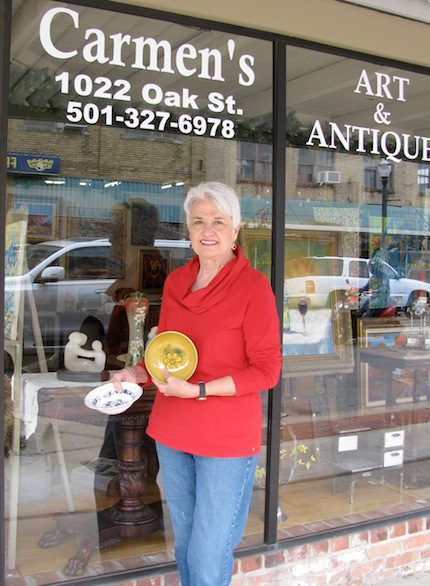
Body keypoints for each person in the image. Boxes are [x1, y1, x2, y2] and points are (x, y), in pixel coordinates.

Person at [111, 181, 282, 586]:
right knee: (186, 545)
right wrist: (133, 373)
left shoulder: (253, 288)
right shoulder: (176, 283)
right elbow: (167, 356)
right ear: (187, 230)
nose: (208, 230)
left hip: (225, 439)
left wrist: (201, 391)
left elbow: (267, 370)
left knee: (208, 553)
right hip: (173, 431)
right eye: (199, 221)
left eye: (219, 221)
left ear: (236, 229)